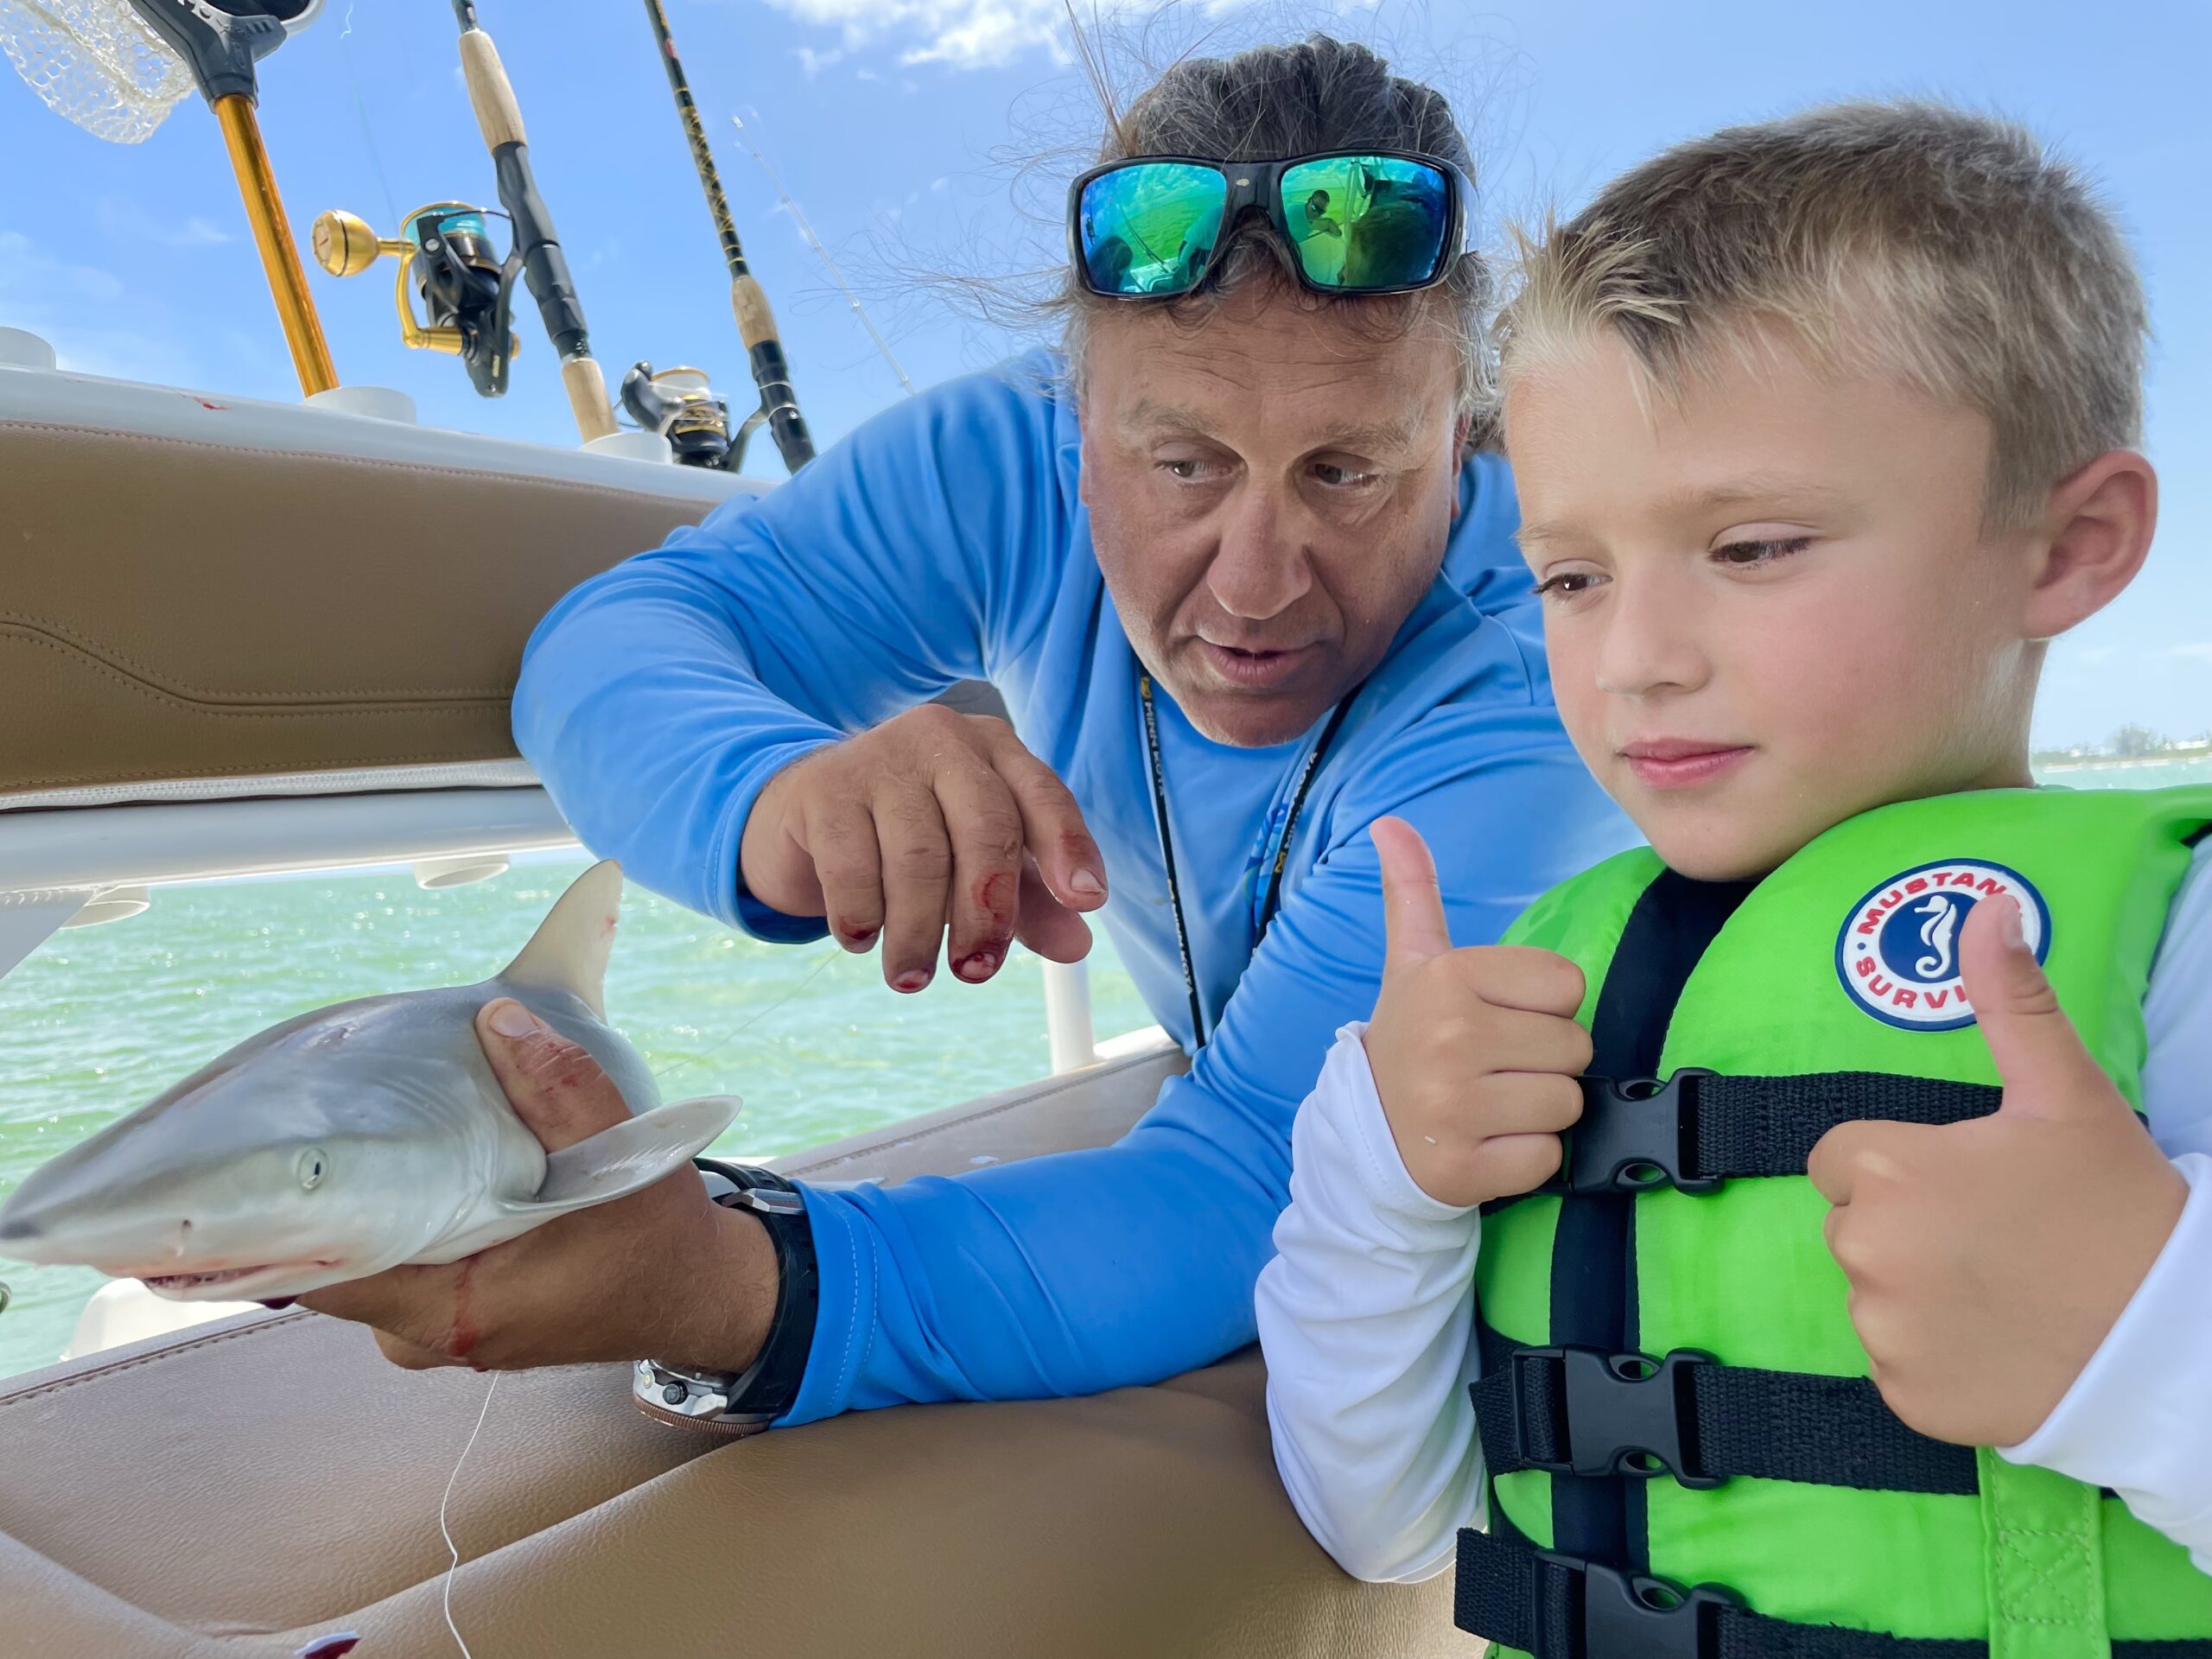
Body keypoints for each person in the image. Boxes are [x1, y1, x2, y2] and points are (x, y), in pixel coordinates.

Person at [297, 38, 1630, 1430]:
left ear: (1465, 440)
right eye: (1182, 464)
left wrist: (716, 1285)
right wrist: (776, 797)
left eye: (1348, 472)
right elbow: (610, 643)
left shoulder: (1540, 682)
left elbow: (1253, 1177)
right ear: (1080, 420)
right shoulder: (1013, 460)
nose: (1253, 584)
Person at [1255, 101, 2212, 1654]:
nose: (1636, 658)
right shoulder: (1539, 989)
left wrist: (2146, 1341)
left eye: (1754, 548)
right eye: (1572, 576)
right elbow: (1387, 1523)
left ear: (2066, 545)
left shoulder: (2183, 942)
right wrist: (1387, 1173)